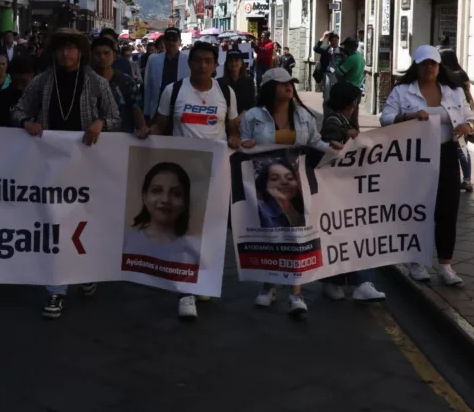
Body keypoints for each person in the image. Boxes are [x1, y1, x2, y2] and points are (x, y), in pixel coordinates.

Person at [11, 28, 120, 319]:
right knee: (54, 224)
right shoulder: (42, 82)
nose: (65, 53)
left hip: (87, 165)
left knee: (82, 221)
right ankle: (56, 291)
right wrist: (26, 122)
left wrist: (100, 124)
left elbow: (114, 117)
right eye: (61, 49)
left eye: (71, 48)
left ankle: (85, 270)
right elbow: (18, 109)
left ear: (80, 52)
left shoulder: (96, 83)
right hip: (51, 164)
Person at [141, 40, 242, 320]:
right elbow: (160, 126)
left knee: (210, 232)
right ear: (190, 63)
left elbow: (232, 127)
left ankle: (202, 281)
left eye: (208, 61)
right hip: (180, 173)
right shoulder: (173, 91)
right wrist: (147, 133)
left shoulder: (226, 93)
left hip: (215, 173)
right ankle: (185, 291)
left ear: (215, 65)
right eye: (197, 60)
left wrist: (235, 137)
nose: (203, 65)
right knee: (185, 231)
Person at [239, 68, 339, 314]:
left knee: (297, 237)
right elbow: (241, 150)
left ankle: (296, 293)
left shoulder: (303, 115)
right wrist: (246, 144)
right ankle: (268, 286)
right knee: (270, 237)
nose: (289, 87)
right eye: (283, 83)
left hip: (297, 185)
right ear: (269, 87)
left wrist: (331, 147)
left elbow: (314, 141)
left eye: (291, 83)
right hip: (265, 189)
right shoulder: (252, 117)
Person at [381, 45, 474, 286]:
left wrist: (468, 127)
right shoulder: (403, 91)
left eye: (433, 63)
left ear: (439, 66)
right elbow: (385, 118)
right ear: (416, 65)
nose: (429, 68)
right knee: (417, 209)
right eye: (424, 63)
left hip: (446, 153)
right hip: (414, 154)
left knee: (447, 209)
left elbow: (471, 117)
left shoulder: (453, 91)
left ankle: (445, 265)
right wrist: (408, 117)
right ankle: (415, 261)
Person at [316, 79, 387, 303]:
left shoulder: (339, 121)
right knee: (355, 233)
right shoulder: (334, 124)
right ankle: (355, 282)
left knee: (345, 234)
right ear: (351, 102)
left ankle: (341, 281)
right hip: (340, 189)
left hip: (345, 189)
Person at [123, 162, 200, 265]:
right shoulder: (124, 241)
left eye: (176, 194)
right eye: (157, 191)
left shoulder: (194, 253)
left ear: (185, 202)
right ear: (145, 197)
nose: (165, 200)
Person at [91, 36, 146, 134]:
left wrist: (142, 128)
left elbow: (136, 108)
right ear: (92, 56)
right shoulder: (86, 81)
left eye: (106, 53)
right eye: (98, 53)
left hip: (123, 138)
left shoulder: (126, 81)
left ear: (115, 56)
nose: (102, 57)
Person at [440, 48, 474, 192]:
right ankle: (467, 179)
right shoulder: (462, 73)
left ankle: (464, 179)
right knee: (462, 148)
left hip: (458, 114)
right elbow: (469, 93)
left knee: (460, 149)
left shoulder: (448, 75)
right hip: (463, 114)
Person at [143, 27, 190, 122]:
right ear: (164, 41)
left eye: (174, 39)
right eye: (168, 39)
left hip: (181, 111)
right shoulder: (154, 60)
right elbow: (148, 88)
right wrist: (146, 112)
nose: (171, 42)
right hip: (157, 111)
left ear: (180, 42)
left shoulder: (188, 59)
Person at [0, 56, 35, 128]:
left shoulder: (39, 97)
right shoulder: (3, 97)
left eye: (23, 82)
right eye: (16, 82)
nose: (19, 87)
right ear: (11, 78)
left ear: (32, 76)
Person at [219, 48, 257, 116]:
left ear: (241, 63)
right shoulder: (219, 82)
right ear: (226, 64)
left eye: (236, 60)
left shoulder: (249, 81)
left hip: (244, 119)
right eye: (230, 61)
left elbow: (251, 103)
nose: (233, 63)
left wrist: (239, 119)